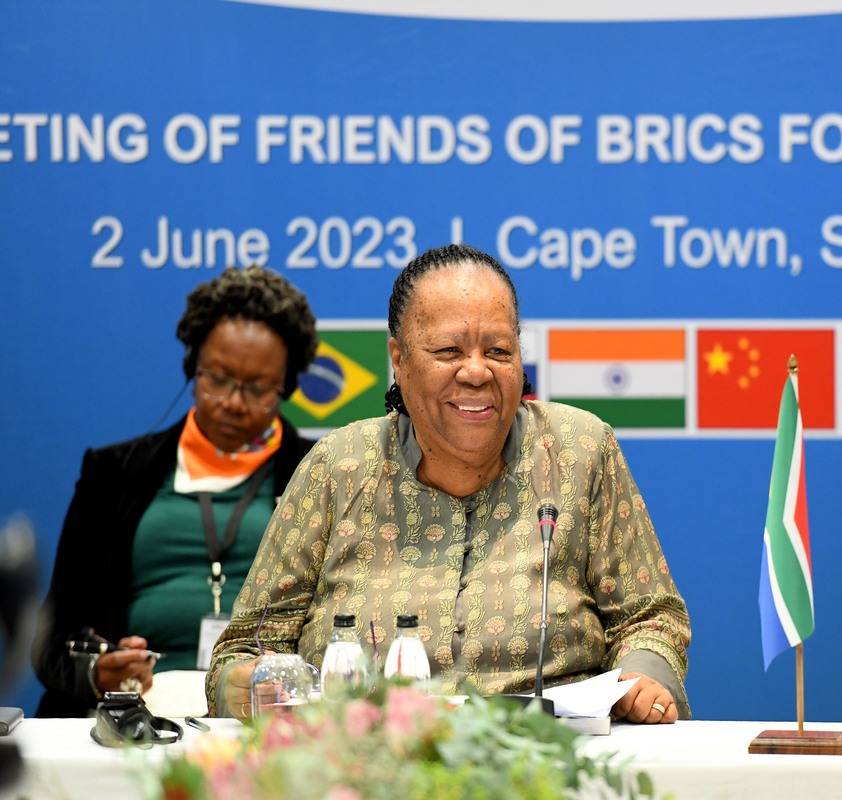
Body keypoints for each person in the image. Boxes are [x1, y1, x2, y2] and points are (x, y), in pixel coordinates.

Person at [206, 243, 691, 724]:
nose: (477, 371)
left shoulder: (580, 451)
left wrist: (643, 678)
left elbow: (650, 617)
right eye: (448, 351)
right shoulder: (336, 467)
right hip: (369, 755)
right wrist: (251, 685)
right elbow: (245, 648)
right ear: (399, 359)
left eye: (498, 351)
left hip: (546, 752)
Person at [33, 266, 318, 717]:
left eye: (257, 389)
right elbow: (53, 635)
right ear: (192, 369)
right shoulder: (115, 474)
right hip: (135, 714)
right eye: (218, 379)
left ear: (288, 386)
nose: (233, 402)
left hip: (268, 710)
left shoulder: (319, 473)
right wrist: (97, 670)